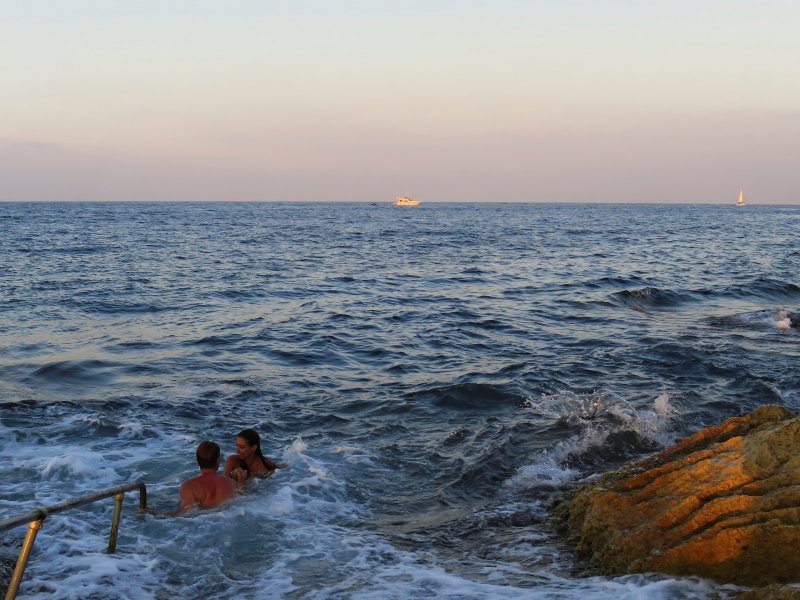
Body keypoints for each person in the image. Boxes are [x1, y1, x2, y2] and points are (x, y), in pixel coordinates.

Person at [177, 440, 238, 514]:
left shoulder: (188, 487)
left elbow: (185, 514)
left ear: (197, 460)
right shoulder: (230, 483)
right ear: (217, 461)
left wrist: (160, 515)